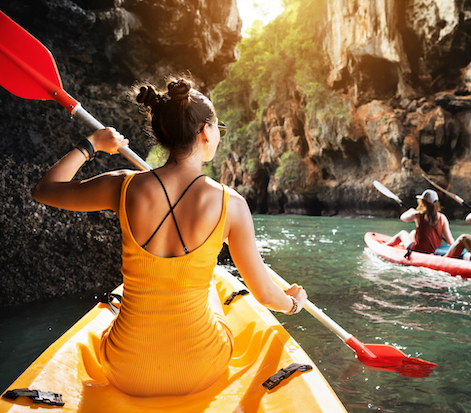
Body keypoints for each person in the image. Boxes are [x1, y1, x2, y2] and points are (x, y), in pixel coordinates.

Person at [32, 78, 307, 397]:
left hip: (126, 370)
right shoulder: (232, 205)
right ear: (206, 131)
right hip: (201, 368)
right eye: (219, 126)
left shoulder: (123, 186)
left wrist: (91, 143)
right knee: (213, 285)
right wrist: (293, 303)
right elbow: (265, 296)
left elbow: (45, 190)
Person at [386, 189, 455, 254]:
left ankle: (385, 245)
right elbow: (450, 241)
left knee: (402, 233)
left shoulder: (418, 215)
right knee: (413, 233)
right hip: (434, 250)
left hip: (418, 249)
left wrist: (410, 211)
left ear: (423, 202)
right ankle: (403, 243)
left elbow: (402, 218)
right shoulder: (442, 217)